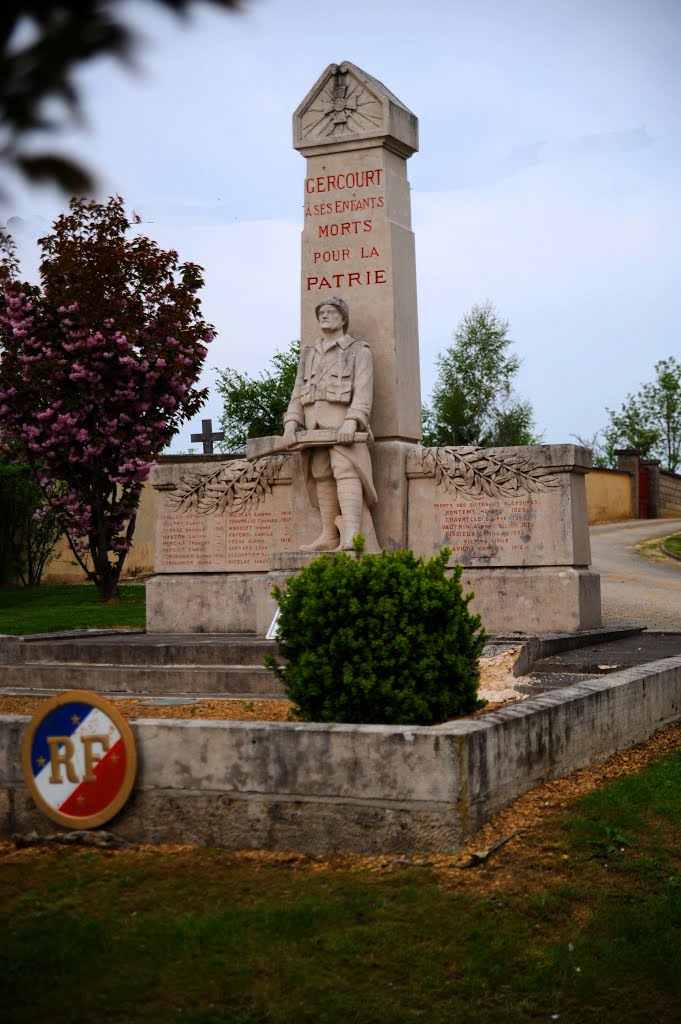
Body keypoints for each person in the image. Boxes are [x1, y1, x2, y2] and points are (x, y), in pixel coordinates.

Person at [283, 296, 378, 551]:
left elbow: (363, 391)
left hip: (341, 426)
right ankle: (328, 535)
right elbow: (297, 392)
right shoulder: (309, 353)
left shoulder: (358, 350)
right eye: (321, 312)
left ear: (343, 318)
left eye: (330, 312)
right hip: (313, 428)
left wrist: (353, 420)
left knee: (346, 473)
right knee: (321, 474)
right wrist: (291, 422)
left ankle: (353, 537)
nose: (324, 316)